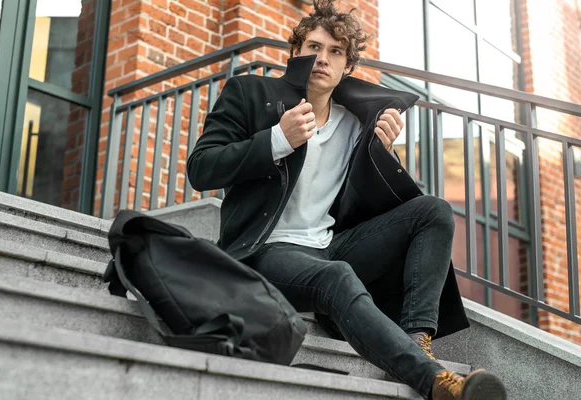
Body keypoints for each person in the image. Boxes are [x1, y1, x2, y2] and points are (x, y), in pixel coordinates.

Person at [187, 1, 507, 399]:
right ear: (296, 53)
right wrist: (276, 139)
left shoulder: (356, 122)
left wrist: (384, 156)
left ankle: (416, 338)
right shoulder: (250, 94)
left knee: (433, 211)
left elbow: (374, 204)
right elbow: (200, 168)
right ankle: (434, 382)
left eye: (335, 51)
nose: (322, 58)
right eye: (314, 47)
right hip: (264, 250)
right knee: (335, 275)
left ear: (347, 67)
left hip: (330, 245)